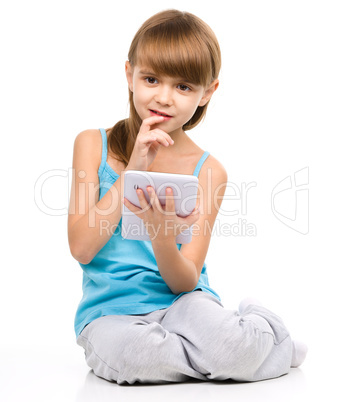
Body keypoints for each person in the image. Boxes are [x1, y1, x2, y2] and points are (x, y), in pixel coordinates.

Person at [68, 9, 307, 385]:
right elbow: (82, 248)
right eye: (151, 79)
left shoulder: (209, 171)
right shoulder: (92, 145)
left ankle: (255, 336)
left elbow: (184, 282)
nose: (163, 98)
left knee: (222, 344)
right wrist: (131, 170)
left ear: (206, 92)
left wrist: (163, 237)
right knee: (136, 357)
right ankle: (246, 349)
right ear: (129, 74)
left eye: (183, 87)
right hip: (111, 314)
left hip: (185, 302)